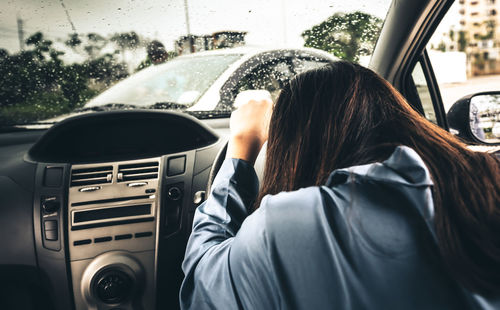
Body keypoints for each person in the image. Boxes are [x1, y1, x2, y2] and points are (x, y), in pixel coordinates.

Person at [180, 61, 500, 309]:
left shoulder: (289, 225)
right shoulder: (486, 181)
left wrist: (241, 146)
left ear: (294, 147)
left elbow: (202, 286)